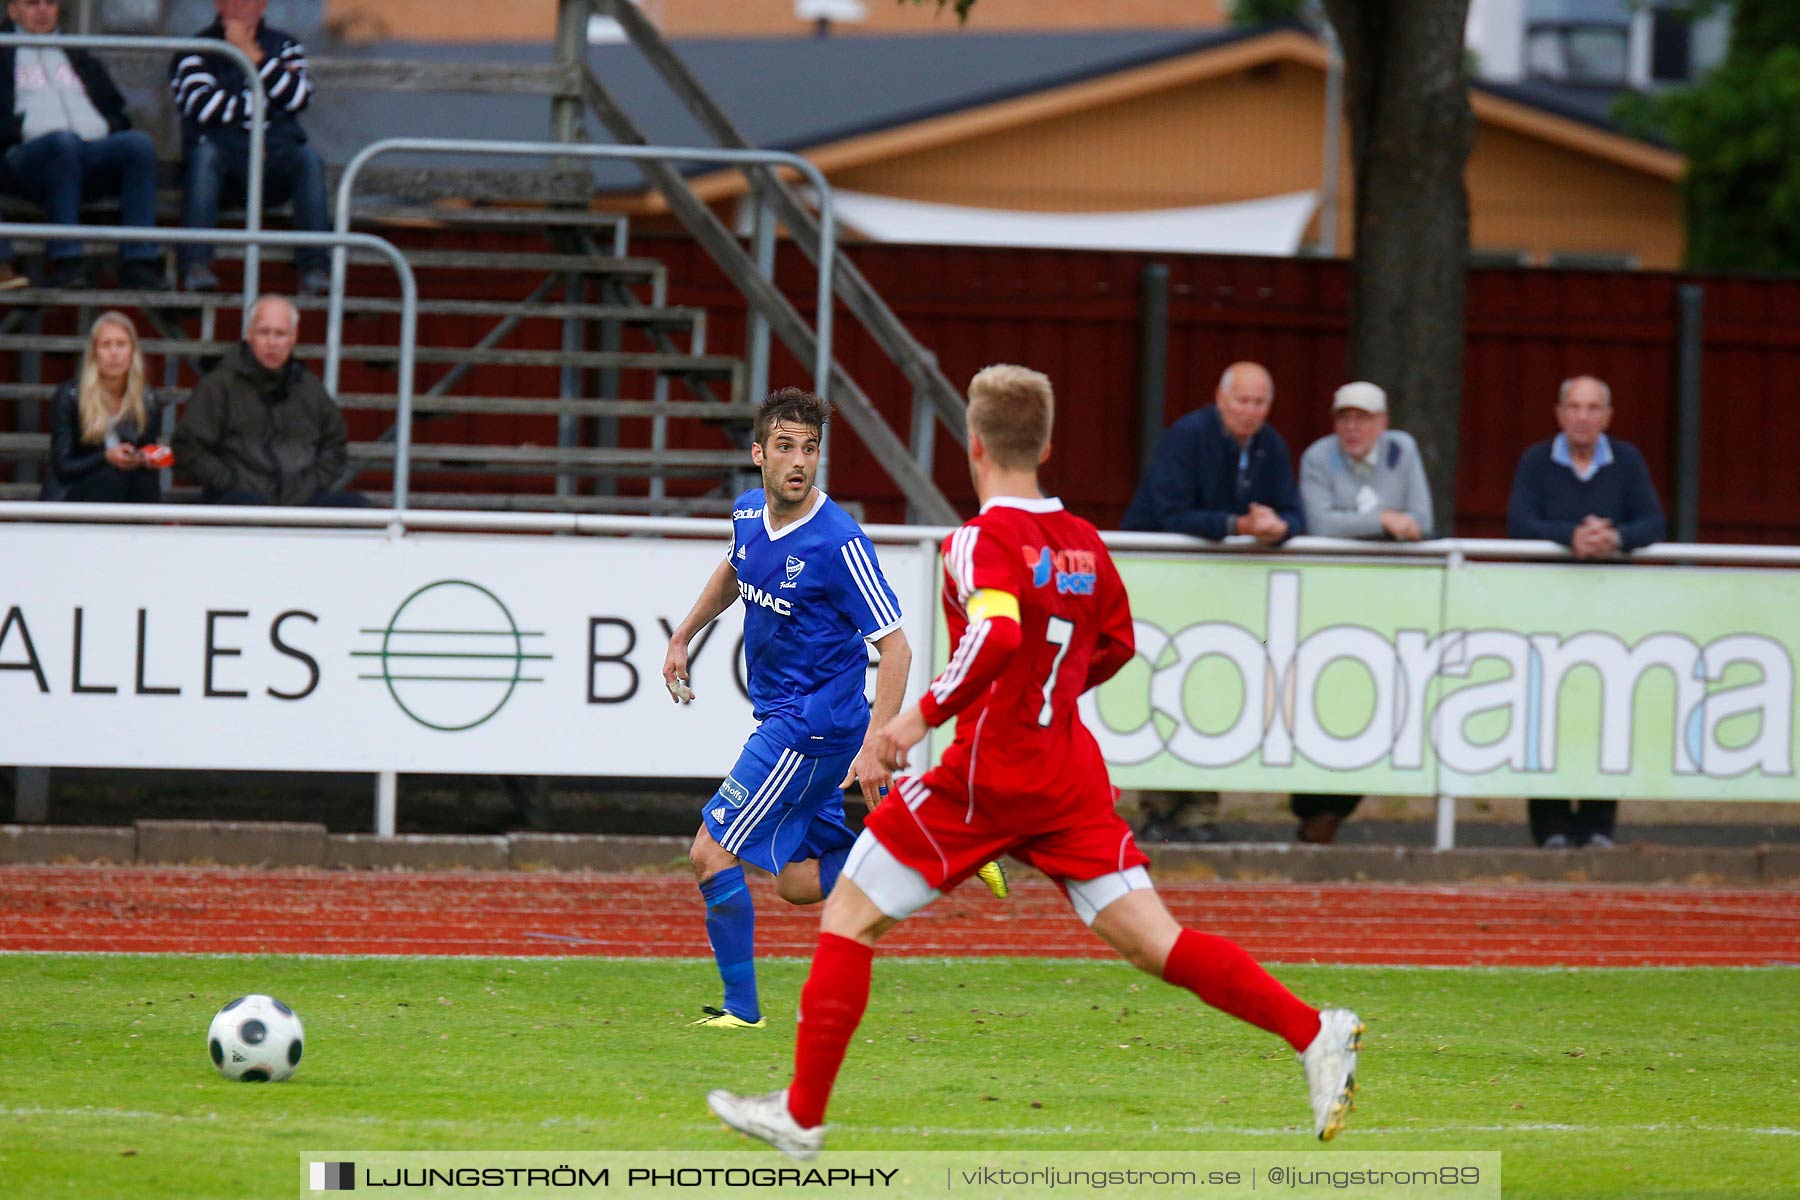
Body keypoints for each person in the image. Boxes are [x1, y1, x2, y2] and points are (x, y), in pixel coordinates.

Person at [705, 364, 1364, 1158]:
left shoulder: (976, 541)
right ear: (1046, 444)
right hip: (1068, 778)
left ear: (973, 445)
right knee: (1153, 942)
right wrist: (1044, 700)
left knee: (849, 915)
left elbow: (1000, 632)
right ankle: (1313, 1032)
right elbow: (1116, 643)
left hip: (985, 779)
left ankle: (802, 1115)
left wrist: (917, 717)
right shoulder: (1084, 543)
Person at [660, 387, 916, 1030]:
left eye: (809, 449)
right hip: (792, 718)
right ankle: (919, 852)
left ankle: (741, 1012)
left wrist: (875, 744)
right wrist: (683, 634)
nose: (798, 461)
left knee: (709, 853)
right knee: (798, 882)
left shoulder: (838, 541)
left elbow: (897, 648)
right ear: (759, 455)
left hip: (810, 725)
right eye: (785, 447)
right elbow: (733, 570)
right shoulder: (749, 515)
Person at [1121, 361, 1303, 844]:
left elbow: (1293, 511)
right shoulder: (1187, 436)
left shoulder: (1271, 446)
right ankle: (1158, 807)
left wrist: (1278, 529)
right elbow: (1168, 512)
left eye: (1259, 402)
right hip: (1164, 579)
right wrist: (1237, 526)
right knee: (1163, 689)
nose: (1250, 411)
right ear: (1221, 398)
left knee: (1211, 691)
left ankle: (1199, 809)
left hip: (1221, 589)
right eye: (1242, 401)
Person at [1507, 374, 1667, 849]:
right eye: (1574, 407)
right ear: (1558, 413)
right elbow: (1519, 523)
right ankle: (1551, 827)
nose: (1582, 416)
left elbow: (1654, 522)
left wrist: (1612, 538)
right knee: (1547, 714)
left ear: (1607, 417)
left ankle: (1598, 826)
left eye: (1592, 407)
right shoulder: (1536, 461)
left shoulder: (1628, 461)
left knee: (1608, 714)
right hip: (1547, 612)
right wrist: (1569, 536)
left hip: (1609, 613)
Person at [1291, 380, 1435, 842]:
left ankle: (1335, 808)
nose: (1353, 428)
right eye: (1344, 418)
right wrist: (1383, 521)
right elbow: (1320, 522)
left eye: (1363, 418)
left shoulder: (1401, 451)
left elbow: (1422, 520)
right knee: (1322, 699)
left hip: (1386, 603)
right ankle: (1311, 807)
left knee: (1374, 703)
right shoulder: (1318, 456)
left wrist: (1371, 523)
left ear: (1382, 423)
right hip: (1328, 602)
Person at [1, 0, 166, 290]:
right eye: (31, 3)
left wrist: (110, 127)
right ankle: (66, 260)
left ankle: (139, 261)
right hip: (26, 159)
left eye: (50, 3)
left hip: (86, 152)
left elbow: (114, 106)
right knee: (64, 143)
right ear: (12, 9)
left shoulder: (76, 50)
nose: (42, 11)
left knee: (138, 145)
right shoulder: (3, 50)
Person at [168, 0, 329, 294]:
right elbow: (202, 107)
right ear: (218, 4)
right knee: (205, 156)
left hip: (273, 167)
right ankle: (195, 266)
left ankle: (316, 268)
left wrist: (253, 55)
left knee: (307, 160)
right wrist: (264, 108)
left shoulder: (285, 46)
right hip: (223, 171)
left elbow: (299, 96)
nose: (241, 5)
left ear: (263, 4)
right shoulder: (196, 49)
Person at [171, 294, 368, 506]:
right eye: (264, 332)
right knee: (245, 502)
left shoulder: (309, 387)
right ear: (249, 334)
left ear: (294, 337)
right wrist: (231, 481)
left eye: (280, 334)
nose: (271, 342)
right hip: (236, 499)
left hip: (300, 499)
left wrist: (311, 484)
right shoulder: (219, 384)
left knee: (358, 507)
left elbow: (334, 443)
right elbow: (188, 447)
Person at [41, 311, 167, 502]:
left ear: (132, 351)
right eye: (106, 345)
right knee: (110, 478)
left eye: (121, 344)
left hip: (128, 485)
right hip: (75, 488)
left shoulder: (147, 398)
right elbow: (63, 466)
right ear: (94, 353)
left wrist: (149, 457)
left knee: (144, 482)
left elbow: (148, 449)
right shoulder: (70, 396)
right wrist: (106, 457)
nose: (114, 353)